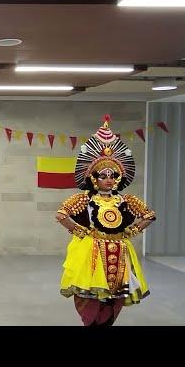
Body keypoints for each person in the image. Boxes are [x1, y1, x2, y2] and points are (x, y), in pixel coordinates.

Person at [56, 115, 156, 326]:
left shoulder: (126, 200)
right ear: (94, 178)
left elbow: (149, 215)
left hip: (120, 252)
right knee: (89, 297)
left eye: (113, 175)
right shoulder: (84, 198)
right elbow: (61, 214)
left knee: (115, 297)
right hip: (91, 253)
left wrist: (131, 232)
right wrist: (80, 232)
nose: (109, 179)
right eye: (104, 175)